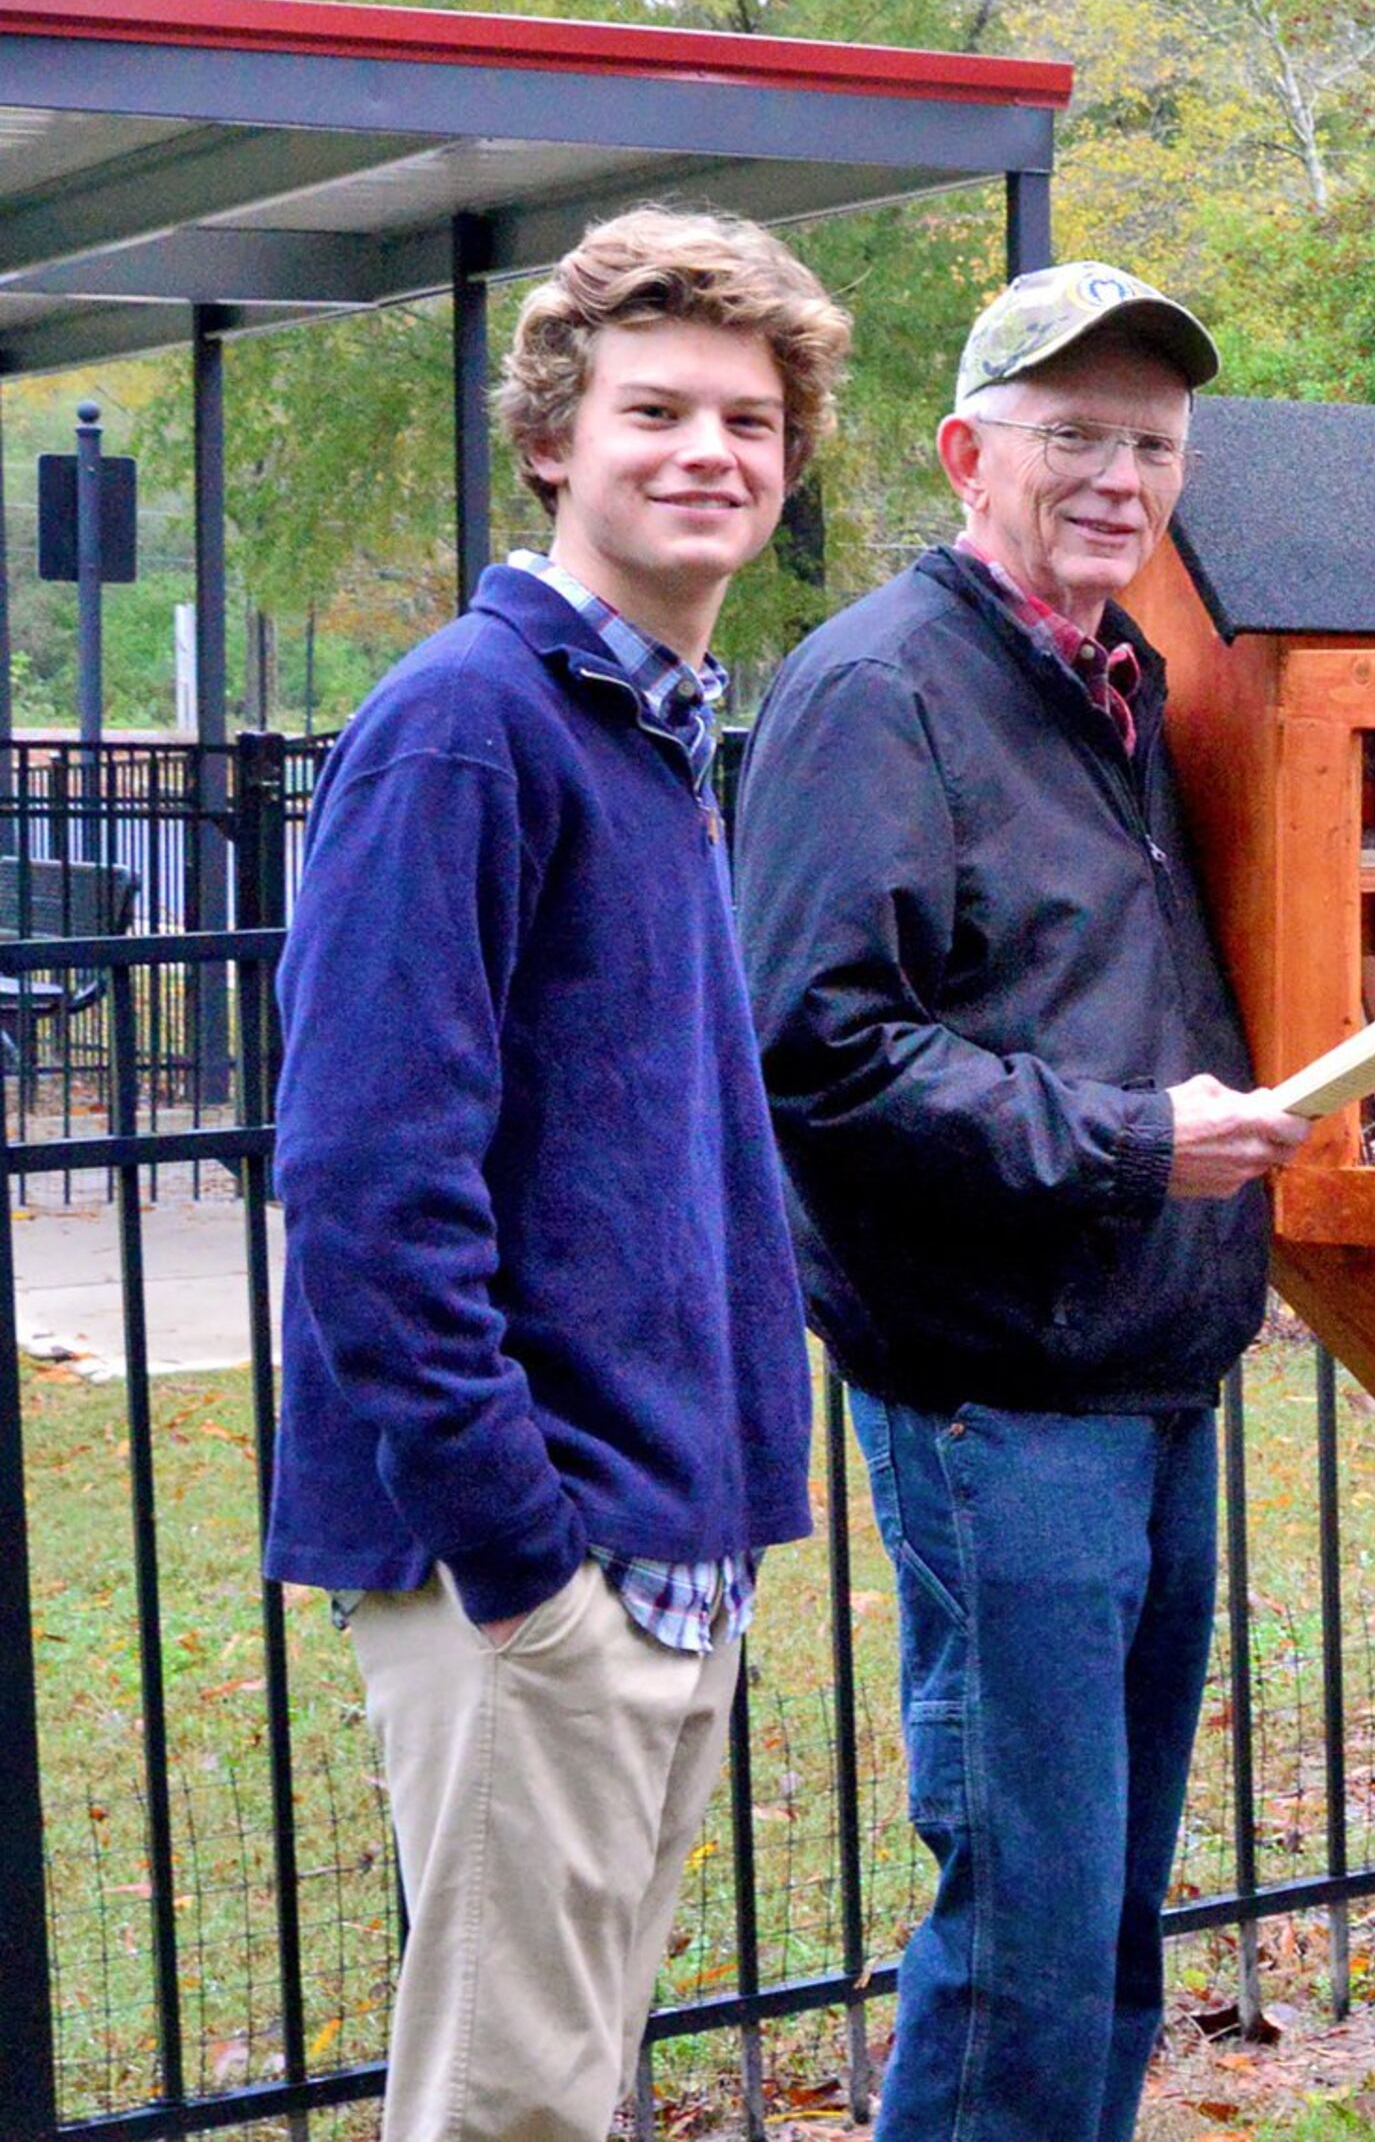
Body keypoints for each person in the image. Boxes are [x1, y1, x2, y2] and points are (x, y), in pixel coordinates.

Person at [265, 208, 843, 2142]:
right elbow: (365, 1183)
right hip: (530, 1565)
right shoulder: (467, 724)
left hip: (667, 1545)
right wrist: (526, 1566)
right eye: (655, 408)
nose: (711, 452)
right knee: (503, 2113)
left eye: (752, 418)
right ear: (550, 441)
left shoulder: (648, 733)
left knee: (572, 2096)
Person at [734, 263, 1309, 2142]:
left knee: (1111, 1902)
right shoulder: (878, 687)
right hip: (1002, 1396)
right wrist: (1145, 1143)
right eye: (1074, 436)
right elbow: (818, 1054)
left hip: (1150, 1371)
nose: (1119, 477)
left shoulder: (1120, 679)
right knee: (1031, 1917)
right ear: (969, 451)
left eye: (1152, 443)